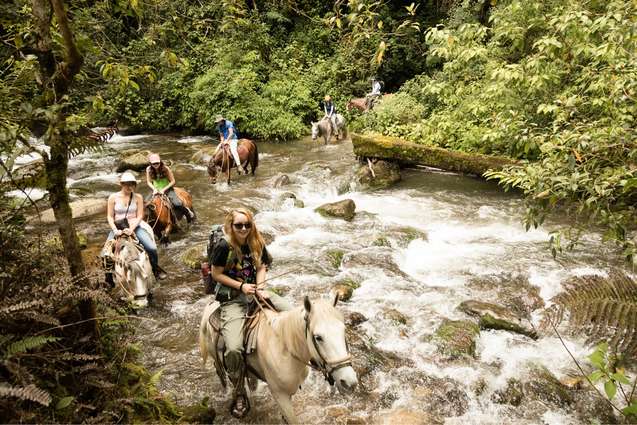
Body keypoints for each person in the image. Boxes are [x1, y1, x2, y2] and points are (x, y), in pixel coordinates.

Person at [210, 208, 292, 418]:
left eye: (247, 224)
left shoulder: (257, 241)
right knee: (234, 348)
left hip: (256, 290)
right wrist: (241, 287)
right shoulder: (223, 246)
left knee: (294, 315)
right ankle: (238, 391)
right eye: (239, 225)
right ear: (231, 226)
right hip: (233, 298)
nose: (244, 229)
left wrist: (261, 287)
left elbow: (262, 266)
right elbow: (216, 274)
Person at [106, 172, 166, 280]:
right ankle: (109, 279)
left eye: (132, 184)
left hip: (135, 226)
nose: (130, 186)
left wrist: (131, 229)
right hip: (117, 228)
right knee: (105, 254)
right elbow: (110, 216)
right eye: (127, 184)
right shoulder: (112, 197)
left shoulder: (138, 197)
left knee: (151, 248)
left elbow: (140, 216)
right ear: (122, 184)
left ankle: (155, 269)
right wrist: (115, 230)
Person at [145, 153, 195, 220]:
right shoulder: (148, 169)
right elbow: (148, 182)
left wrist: (163, 190)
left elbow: (173, 181)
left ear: (160, 161)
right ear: (150, 163)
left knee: (177, 203)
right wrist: (154, 189)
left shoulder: (166, 169)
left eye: (157, 163)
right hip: (155, 189)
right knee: (145, 204)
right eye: (154, 163)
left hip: (167, 189)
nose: (156, 165)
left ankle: (187, 212)